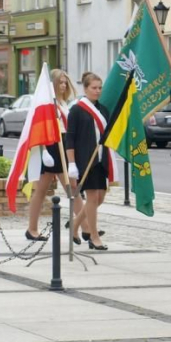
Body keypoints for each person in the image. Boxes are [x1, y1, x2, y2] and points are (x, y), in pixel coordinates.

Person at [26, 69, 88, 243]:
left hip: (63, 143)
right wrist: (45, 150)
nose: (63, 85)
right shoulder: (47, 103)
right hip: (52, 145)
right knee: (46, 190)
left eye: (65, 82)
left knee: (72, 189)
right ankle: (32, 228)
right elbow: (40, 127)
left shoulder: (63, 102)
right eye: (60, 82)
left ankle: (85, 227)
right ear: (52, 84)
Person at [66, 72, 115, 251]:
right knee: (93, 197)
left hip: (101, 159)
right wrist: (71, 163)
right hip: (85, 160)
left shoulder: (104, 110)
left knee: (100, 197)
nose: (97, 91)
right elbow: (70, 138)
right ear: (85, 89)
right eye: (94, 88)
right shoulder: (77, 110)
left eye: (100, 88)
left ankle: (75, 225)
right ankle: (94, 237)